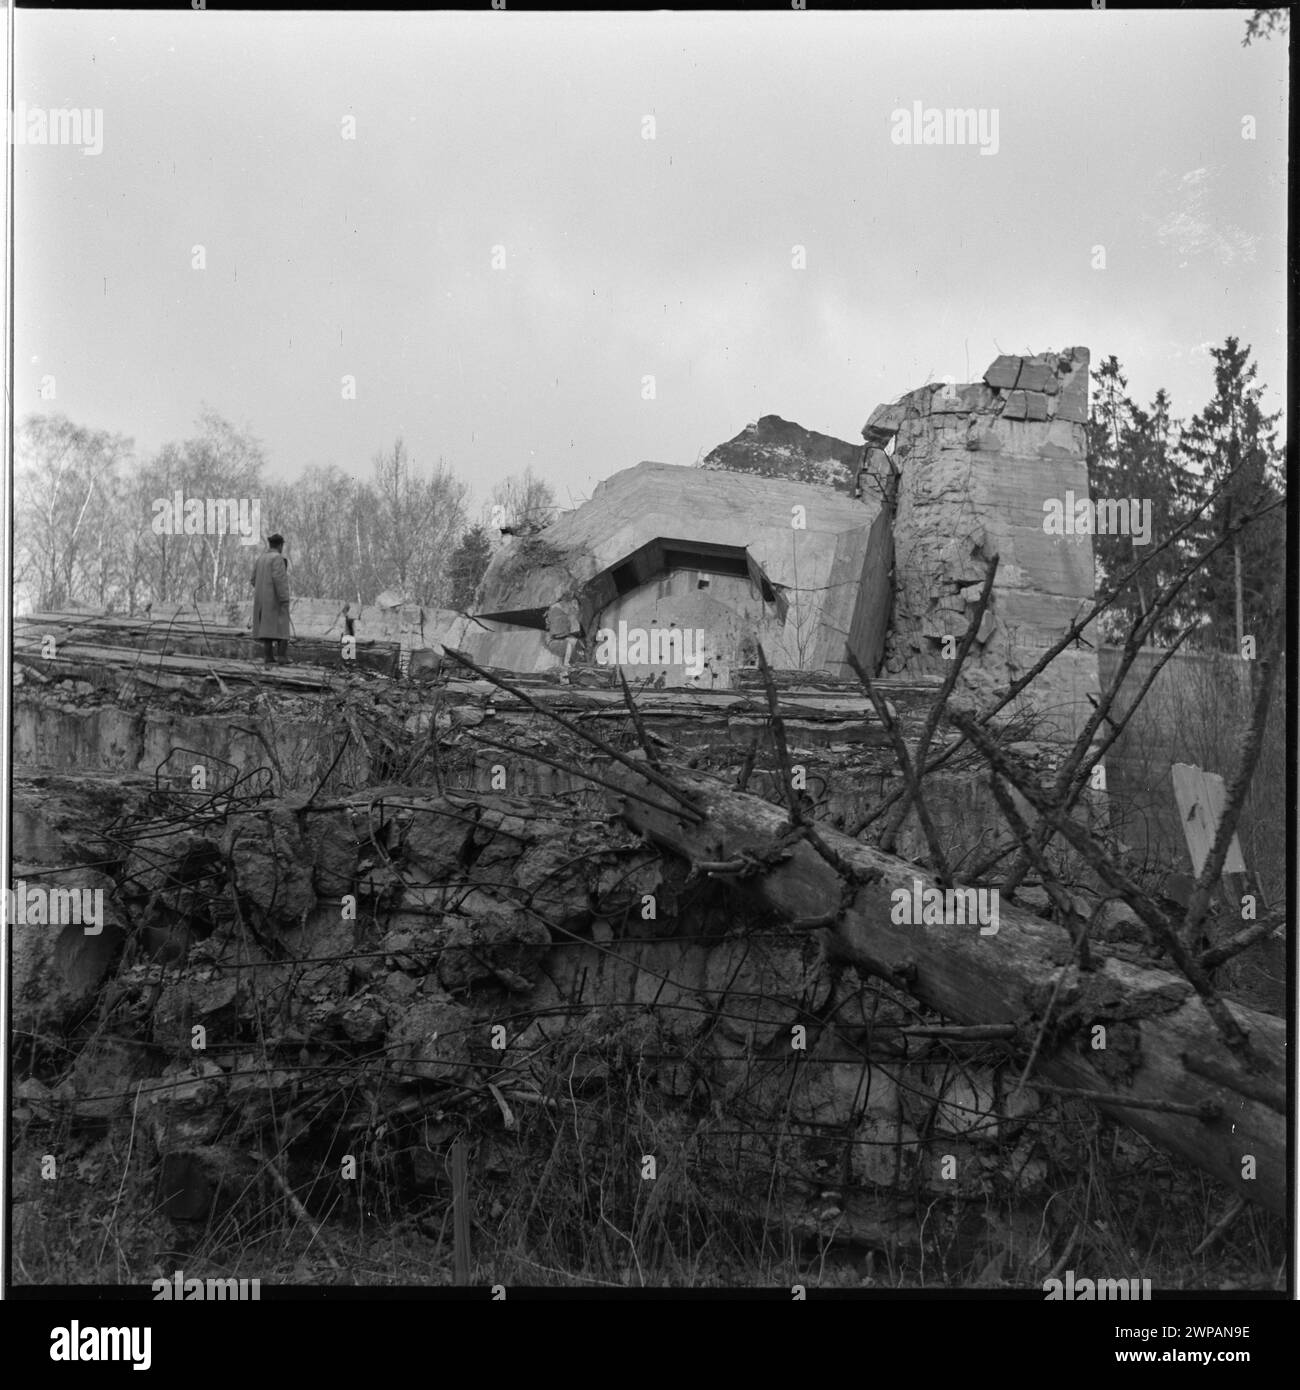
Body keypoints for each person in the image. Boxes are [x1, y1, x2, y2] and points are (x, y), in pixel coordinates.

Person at [251, 534, 291, 664]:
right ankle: (282, 656)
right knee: (282, 628)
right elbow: (280, 580)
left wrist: (262, 589)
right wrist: (284, 598)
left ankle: (268, 656)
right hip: (275, 600)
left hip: (262, 600)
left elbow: (253, 580)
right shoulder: (278, 558)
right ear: (280, 545)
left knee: (266, 629)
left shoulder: (261, 559)